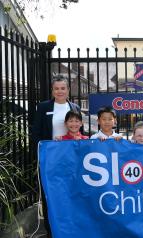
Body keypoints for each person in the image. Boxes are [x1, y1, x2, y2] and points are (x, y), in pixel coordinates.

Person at [31, 75, 81, 238]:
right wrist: (43, 152)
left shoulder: (74, 107)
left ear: (68, 90)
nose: (60, 91)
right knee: (50, 194)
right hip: (51, 158)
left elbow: (79, 131)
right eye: (56, 88)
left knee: (72, 192)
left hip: (71, 159)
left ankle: (72, 228)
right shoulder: (43, 107)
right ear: (52, 90)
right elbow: (36, 133)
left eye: (63, 88)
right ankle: (51, 230)